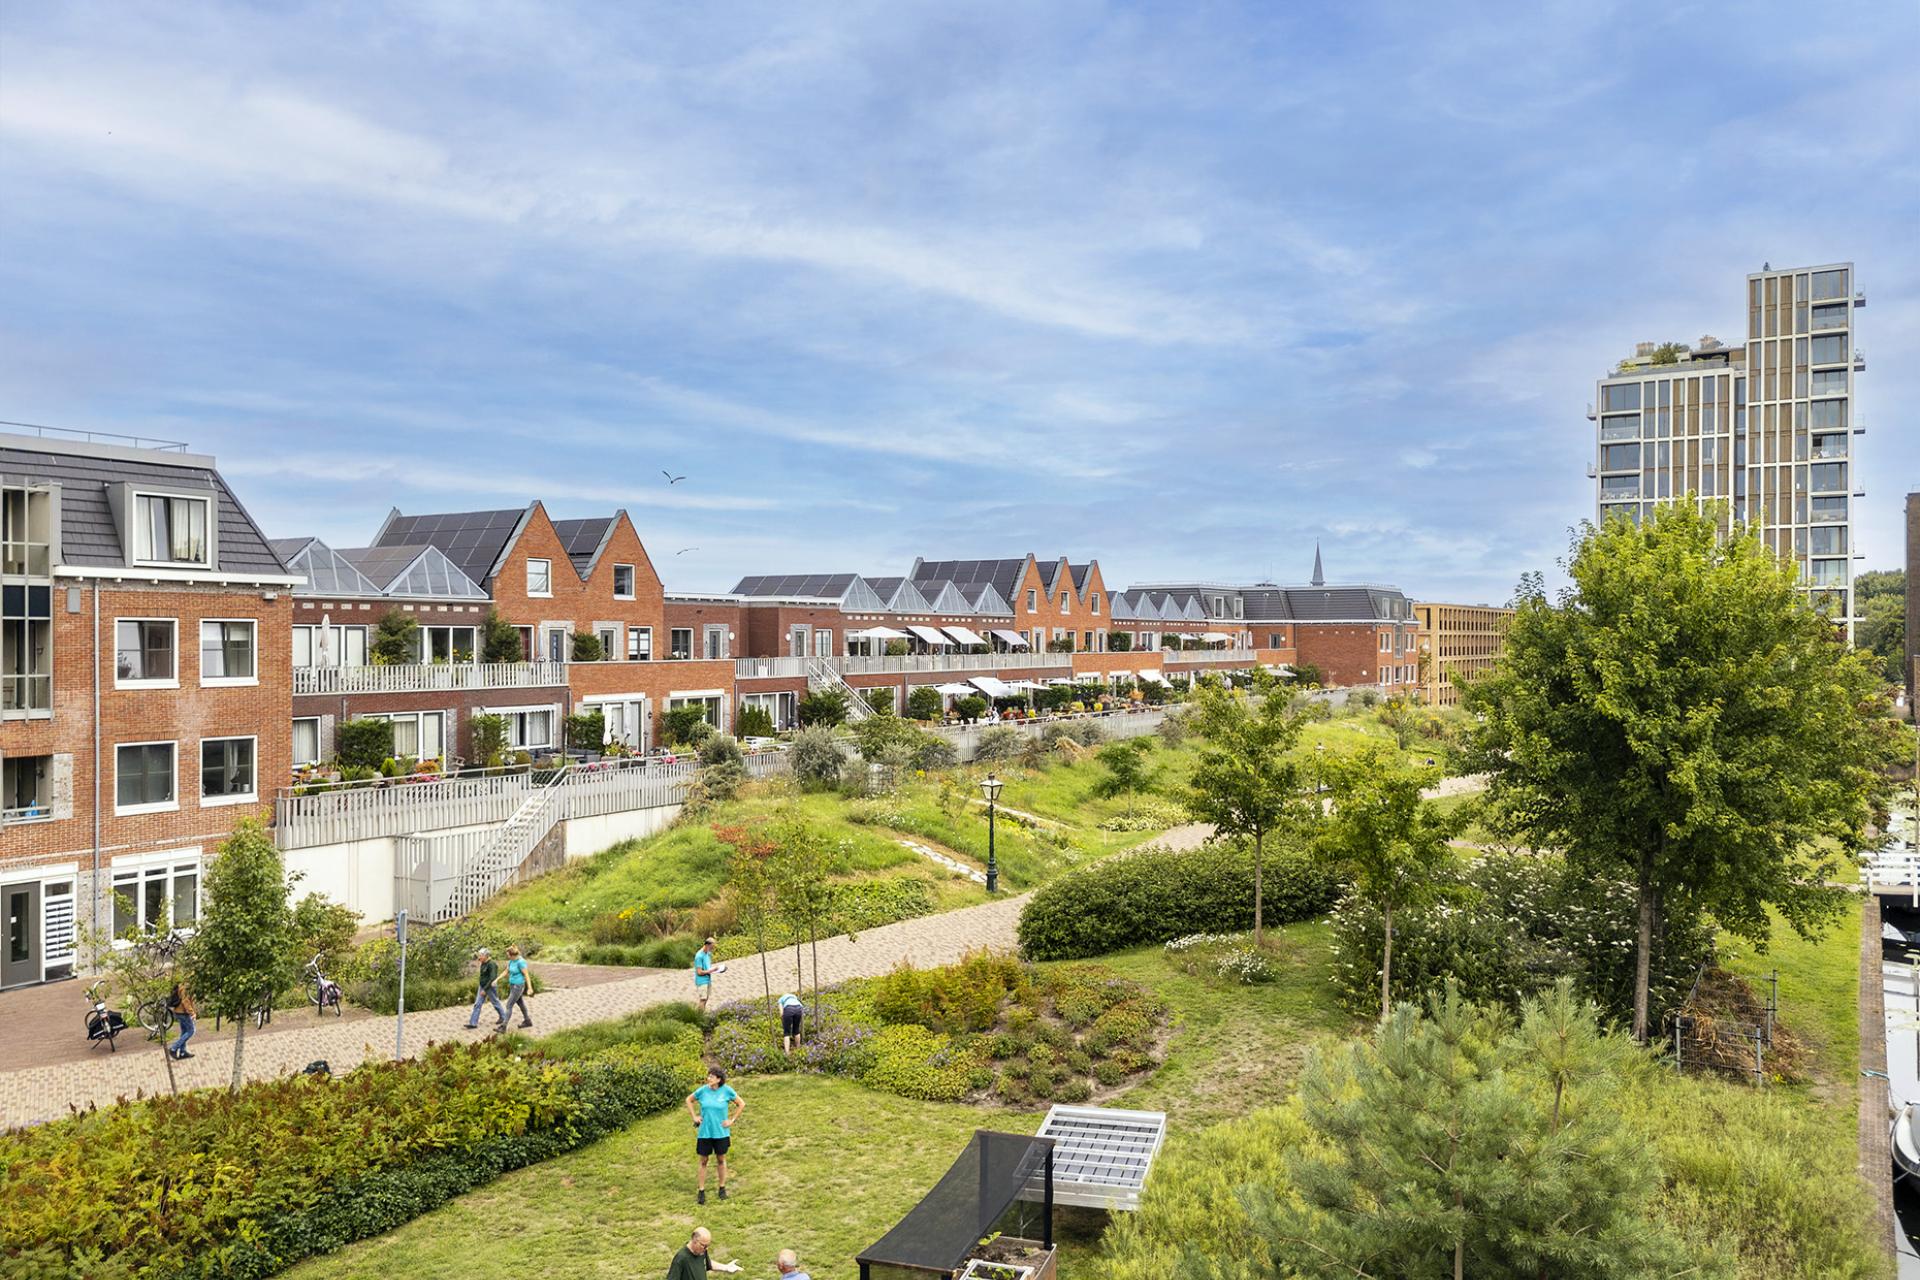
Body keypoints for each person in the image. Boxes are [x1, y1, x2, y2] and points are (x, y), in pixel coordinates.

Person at [686, 1067, 742, 1205]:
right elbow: (689, 1100)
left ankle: (722, 1188)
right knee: (703, 1161)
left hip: (721, 1133)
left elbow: (741, 1104)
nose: (709, 1078)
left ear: (719, 1079)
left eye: (712, 1076)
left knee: (721, 1159)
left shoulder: (727, 1091)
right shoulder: (702, 1091)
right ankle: (701, 1191)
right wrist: (695, 1117)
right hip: (705, 1132)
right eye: (708, 1076)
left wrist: (731, 1120)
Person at [666, 1228, 741, 1279]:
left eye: (708, 1245)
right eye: (704, 1245)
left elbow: (709, 1264)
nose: (706, 1248)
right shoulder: (681, 1258)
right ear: (694, 1240)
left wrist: (726, 1268)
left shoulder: (702, 1251)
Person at [466, 947, 506, 1030]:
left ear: (486, 956)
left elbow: (492, 978)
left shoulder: (492, 964)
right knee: (477, 1004)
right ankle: (473, 1023)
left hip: (490, 987)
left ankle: (504, 1018)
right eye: (479, 955)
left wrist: (485, 989)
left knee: (495, 1002)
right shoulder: (483, 963)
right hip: (483, 986)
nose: (479, 957)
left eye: (481, 955)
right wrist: (482, 987)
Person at [501, 945, 533, 1029]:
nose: (507, 956)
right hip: (512, 985)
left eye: (508, 955)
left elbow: (526, 975)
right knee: (520, 1003)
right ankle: (527, 1021)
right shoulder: (511, 961)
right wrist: (497, 979)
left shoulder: (521, 962)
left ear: (512, 955)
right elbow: (506, 971)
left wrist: (530, 988)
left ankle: (503, 1026)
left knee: (509, 1005)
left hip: (518, 986)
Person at [165, 982, 196, 1060]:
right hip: (182, 1012)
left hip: (179, 1012)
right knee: (191, 1031)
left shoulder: (182, 985)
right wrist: (192, 1013)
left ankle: (182, 1052)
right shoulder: (186, 988)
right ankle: (173, 1048)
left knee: (184, 1032)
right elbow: (185, 1002)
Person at [693, 936, 718, 1011]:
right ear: (707, 945)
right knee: (703, 1000)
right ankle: (699, 1017)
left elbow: (707, 966)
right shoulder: (699, 956)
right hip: (702, 981)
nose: (712, 949)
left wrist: (716, 969)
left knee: (706, 999)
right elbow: (699, 972)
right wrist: (711, 970)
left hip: (707, 980)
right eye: (711, 947)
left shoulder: (708, 953)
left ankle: (702, 1015)